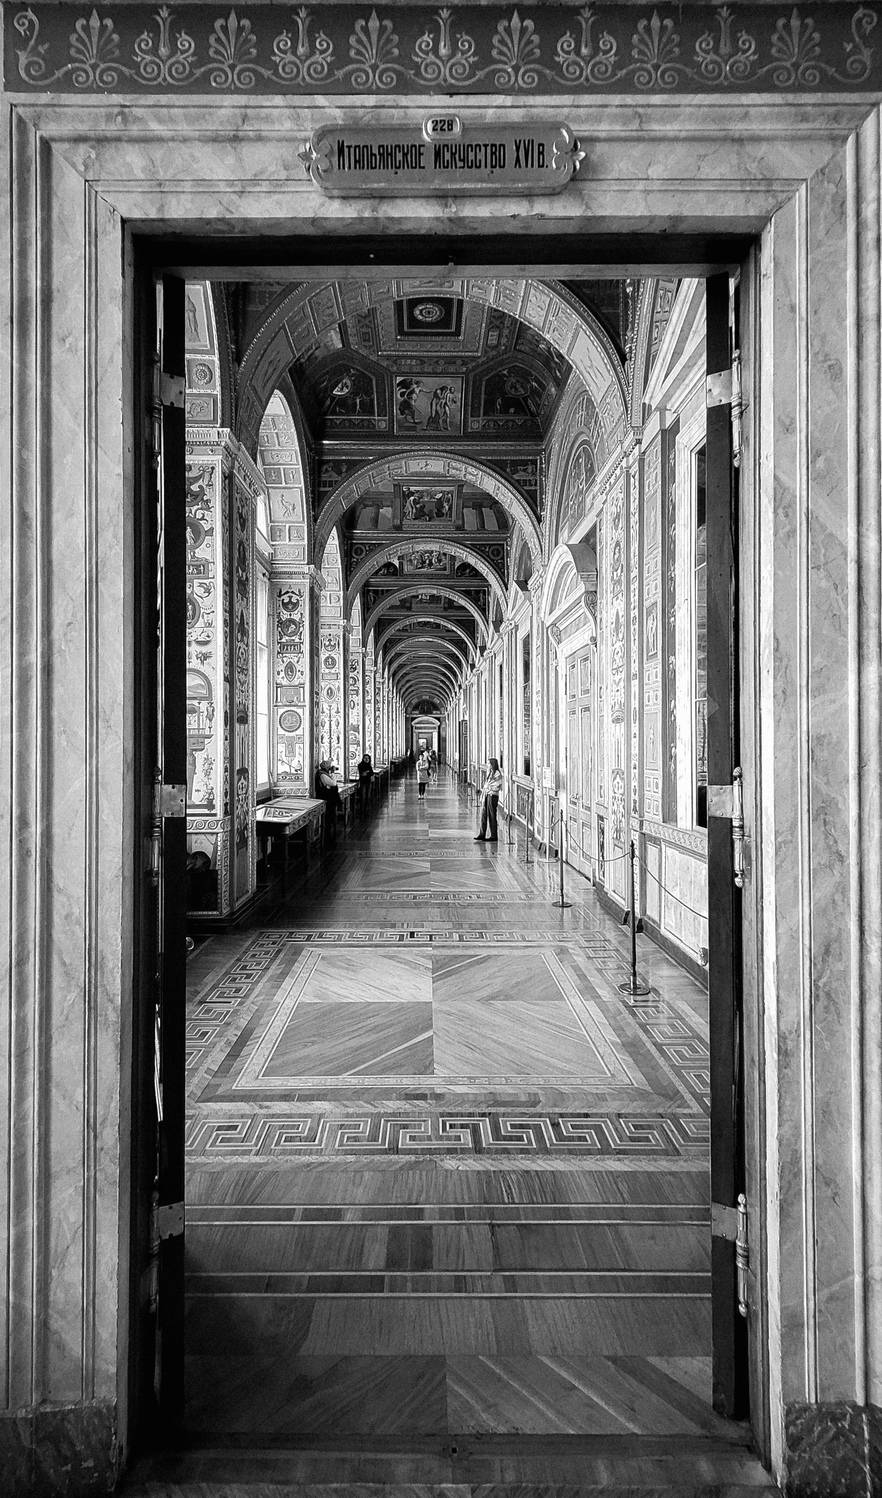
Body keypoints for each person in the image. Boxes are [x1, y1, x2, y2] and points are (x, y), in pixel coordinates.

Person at [474, 757, 503, 841]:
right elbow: (487, 784)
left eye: (489, 763)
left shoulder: (497, 773)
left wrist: (488, 788)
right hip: (487, 795)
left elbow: (497, 786)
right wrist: (486, 789)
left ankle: (494, 836)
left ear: (492, 764)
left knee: (492, 816)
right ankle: (482, 834)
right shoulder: (490, 773)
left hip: (493, 796)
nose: (487, 765)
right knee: (483, 815)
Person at [314, 758, 342, 845]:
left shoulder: (323, 773)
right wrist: (333, 773)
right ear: (325, 767)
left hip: (328, 798)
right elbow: (333, 783)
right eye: (328, 765)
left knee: (330, 817)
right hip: (327, 798)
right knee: (328, 817)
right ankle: (327, 837)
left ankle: (329, 834)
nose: (330, 767)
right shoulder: (322, 774)